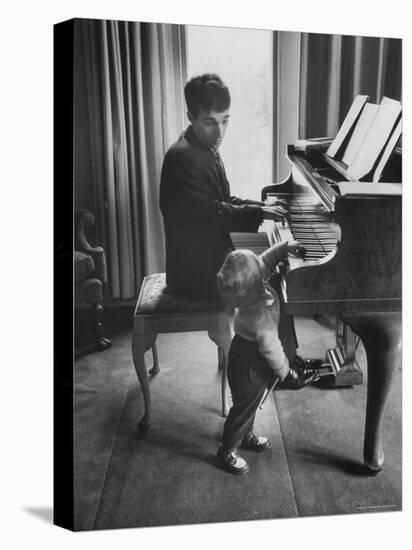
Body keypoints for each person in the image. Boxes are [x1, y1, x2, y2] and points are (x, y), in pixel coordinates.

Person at [159, 73, 288, 302]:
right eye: (210, 122)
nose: (219, 132)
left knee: (276, 271)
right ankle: (260, 339)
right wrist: (260, 212)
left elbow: (224, 200)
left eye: (225, 120)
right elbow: (212, 214)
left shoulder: (203, 147)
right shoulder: (183, 157)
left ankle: (262, 338)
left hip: (209, 261)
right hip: (195, 276)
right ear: (191, 116)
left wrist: (262, 205)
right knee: (274, 282)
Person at [215, 243, 319, 475]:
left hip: (244, 356)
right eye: (257, 266)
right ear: (253, 284)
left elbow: (266, 261)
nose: (262, 267)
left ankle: (246, 435)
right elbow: (271, 349)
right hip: (250, 366)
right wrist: (286, 372)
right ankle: (228, 450)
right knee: (242, 408)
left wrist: (284, 249)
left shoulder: (250, 287)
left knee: (249, 404)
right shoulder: (259, 316)